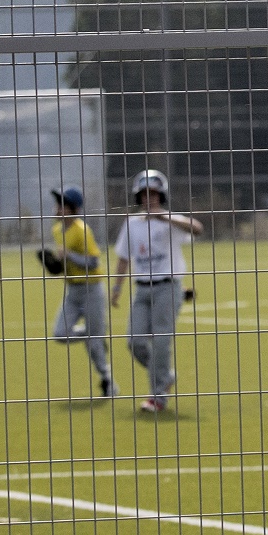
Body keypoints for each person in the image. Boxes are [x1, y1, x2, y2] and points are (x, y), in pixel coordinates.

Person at [109, 169, 204, 413]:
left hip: (167, 287)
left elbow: (197, 228)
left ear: (161, 195)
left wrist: (165, 218)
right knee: (134, 341)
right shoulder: (132, 224)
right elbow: (123, 257)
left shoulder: (172, 221)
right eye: (143, 194)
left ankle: (157, 396)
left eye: (153, 194)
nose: (148, 199)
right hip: (141, 289)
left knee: (162, 342)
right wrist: (117, 287)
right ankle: (165, 375)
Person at [48, 185, 115, 396]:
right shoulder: (57, 230)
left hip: (91, 289)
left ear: (71, 209)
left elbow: (94, 262)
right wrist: (55, 264)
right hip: (72, 291)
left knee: (95, 347)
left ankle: (108, 381)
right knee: (60, 334)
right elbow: (64, 261)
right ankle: (93, 334)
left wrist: (69, 256)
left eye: (62, 204)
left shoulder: (82, 230)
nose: (57, 207)